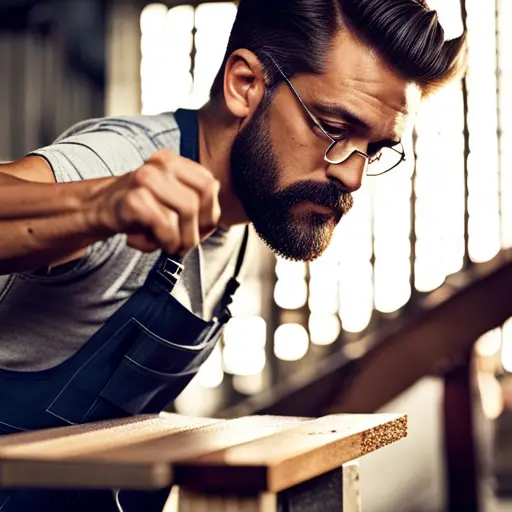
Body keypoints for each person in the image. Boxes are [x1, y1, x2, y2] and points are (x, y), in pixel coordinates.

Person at [0, 0, 466, 510]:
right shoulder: (119, 160)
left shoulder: (247, 212)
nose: (352, 176)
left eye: (373, 150)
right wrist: (98, 205)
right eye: (333, 128)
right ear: (245, 85)